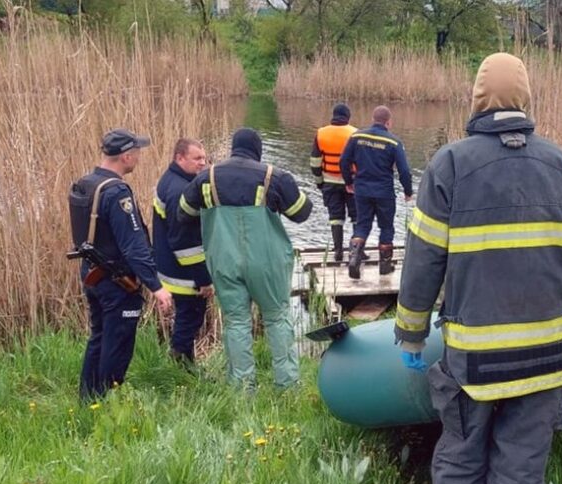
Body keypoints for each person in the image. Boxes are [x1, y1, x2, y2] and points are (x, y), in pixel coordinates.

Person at [394, 53, 562, 484]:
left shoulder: (451, 165)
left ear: (477, 98)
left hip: (477, 360)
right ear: (526, 98)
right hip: (550, 354)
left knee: (461, 456)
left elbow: (423, 263)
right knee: (522, 465)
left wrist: (411, 336)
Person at [173, 128, 313, 391]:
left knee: (236, 322)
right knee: (276, 317)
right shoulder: (275, 176)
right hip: (267, 263)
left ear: (233, 148)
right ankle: (288, 385)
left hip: (224, 261)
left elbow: (183, 213)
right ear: (258, 150)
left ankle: (242, 388)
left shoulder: (207, 178)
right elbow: (302, 212)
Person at [69, 129, 173, 401]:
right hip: (117, 282)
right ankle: (107, 404)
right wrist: (156, 287)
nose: (139, 157)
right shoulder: (117, 193)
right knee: (118, 344)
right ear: (126, 156)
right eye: (137, 153)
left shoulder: (86, 183)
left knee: (99, 338)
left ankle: (88, 398)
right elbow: (134, 245)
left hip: (92, 275)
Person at [152, 138, 212, 366]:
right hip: (184, 275)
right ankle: (182, 369)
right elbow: (184, 243)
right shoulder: (180, 191)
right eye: (197, 158)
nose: (202, 163)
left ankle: (184, 365)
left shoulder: (170, 180)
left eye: (204, 159)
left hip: (170, 267)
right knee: (189, 320)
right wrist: (203, 280)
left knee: (187, 320)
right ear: (180, 158)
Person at [339, 105, 413, 278]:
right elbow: (404, 171)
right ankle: (385, 267)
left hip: (362, 190)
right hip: (384, 192)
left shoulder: (356, 137)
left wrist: (349, 181)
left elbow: (343, 161)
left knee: (362, 225)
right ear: (388, 123)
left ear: (373, 119)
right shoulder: (394, 142)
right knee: (386, 227)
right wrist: (408, 191)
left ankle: (354, 260)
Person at [310, 103, 358, 262]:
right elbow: (361, 161)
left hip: (329, 182)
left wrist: (319, 183)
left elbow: (315, 162)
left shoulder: (321, 134)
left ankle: (338, 251)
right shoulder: (355, 133)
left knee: (335, 217)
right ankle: (356, 251)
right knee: (356, 216)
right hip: (351, 183)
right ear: (348, 117)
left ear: (333, 115)